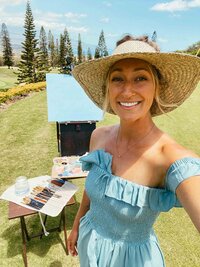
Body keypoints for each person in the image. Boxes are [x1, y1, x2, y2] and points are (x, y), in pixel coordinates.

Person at [67, 34, 200, 267]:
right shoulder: (98, 136)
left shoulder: (170, 157)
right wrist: (77, 224)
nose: (127, 91)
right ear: (107, 88)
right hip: (90, 246)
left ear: (158, 86)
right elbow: (92, 189)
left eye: (140, 77)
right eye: (117, 78)